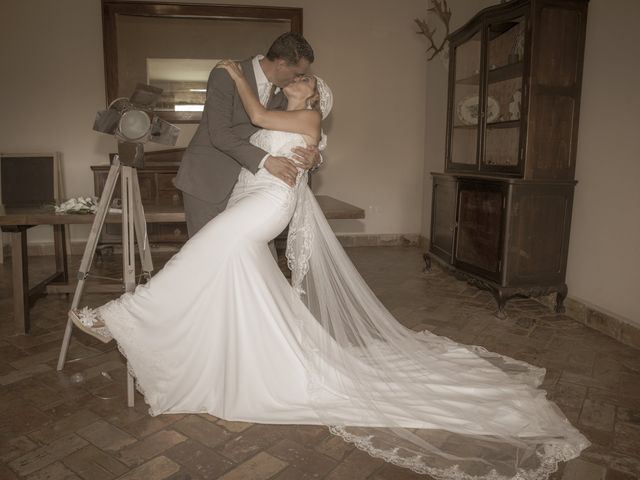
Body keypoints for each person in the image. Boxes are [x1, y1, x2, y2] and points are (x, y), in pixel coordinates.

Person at [70, 63, 589, 480]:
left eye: (306, 80)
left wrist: (231, 74)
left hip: (268, 202)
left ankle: (122, 315)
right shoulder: (283, 114)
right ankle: (231, 357)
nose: (298, 80)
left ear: (312, 99)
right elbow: (241, 133)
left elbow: (250, 112)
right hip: (249, 196)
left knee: (198, 253)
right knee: (229, 275)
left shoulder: (306, 120)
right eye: (297, 76)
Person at [175, 32, 322, 237]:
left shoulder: (285, 95)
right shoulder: (228, 73)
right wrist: (266, 160)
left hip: (253, 190)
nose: (298, 78)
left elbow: (296, 136)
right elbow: (219, 134)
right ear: (281, 63)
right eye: (297, 73)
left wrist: (314, 157)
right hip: (209, 179)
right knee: (208, 253)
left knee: (255, 254)